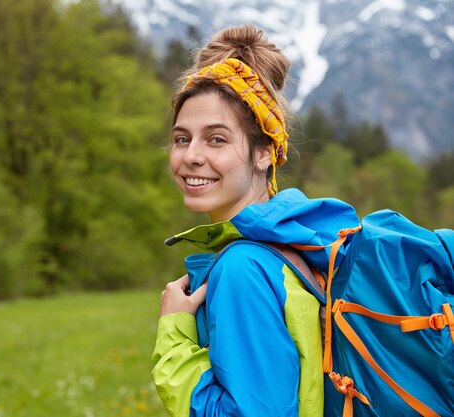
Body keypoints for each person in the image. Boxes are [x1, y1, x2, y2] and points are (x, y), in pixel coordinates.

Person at [151, 25, 360, 416]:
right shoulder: (293, 246)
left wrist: (174, 335)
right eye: (182, 138)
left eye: (216, 139)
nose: (191, 156)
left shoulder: (243, 267)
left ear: (265, 152)